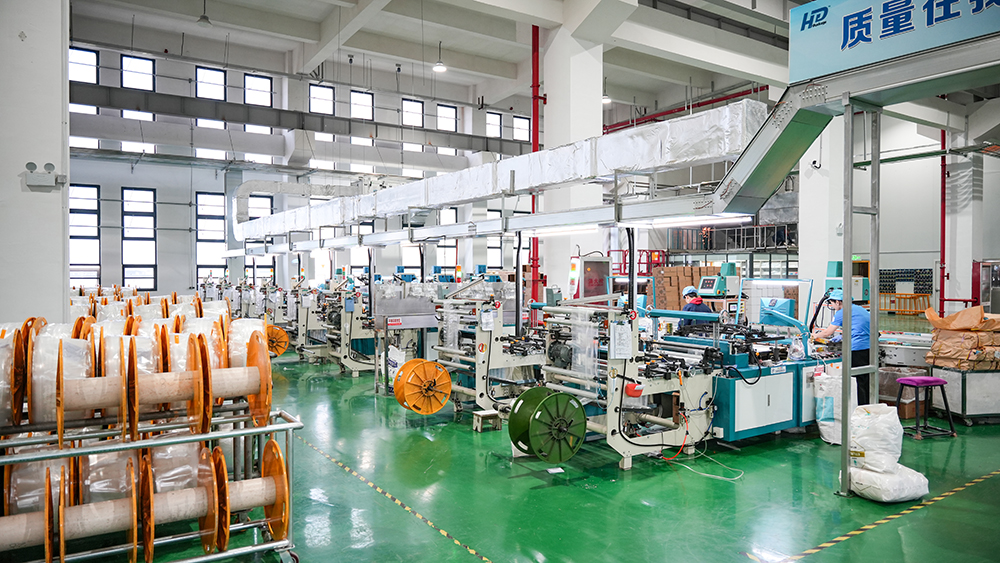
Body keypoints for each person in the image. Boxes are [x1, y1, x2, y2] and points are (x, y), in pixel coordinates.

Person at [811, 289, 872, 404]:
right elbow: (858, 327)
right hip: (868, 348)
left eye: (832, 304)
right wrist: (843, 335)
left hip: (856, 348)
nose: (832, 307)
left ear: (838, 302)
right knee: (864, 380)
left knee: (856, 381)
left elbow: (827, 333)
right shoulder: (860, 309)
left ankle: (858, 407)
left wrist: (813, 336)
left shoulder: (842, 312)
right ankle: (866, 407)